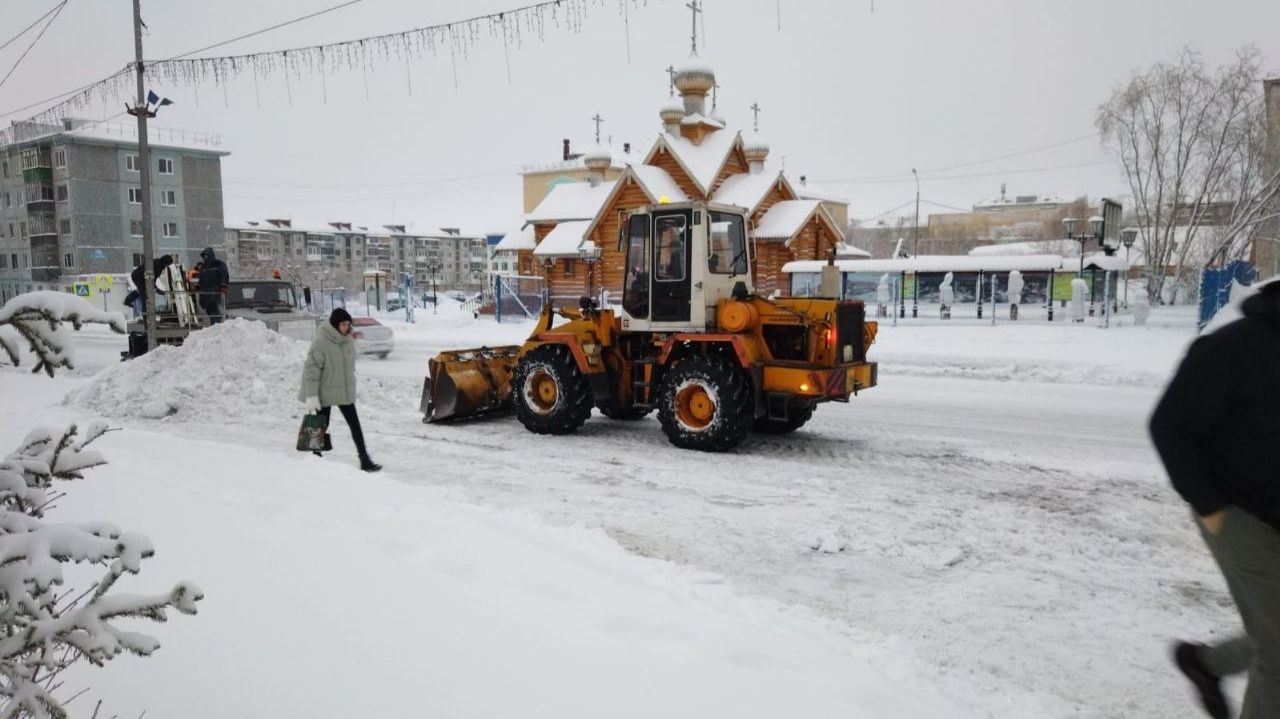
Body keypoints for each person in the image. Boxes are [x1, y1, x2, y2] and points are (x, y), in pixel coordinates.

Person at [1150, 280, 1280, 719]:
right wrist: (1210, 507)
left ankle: (1206, 666)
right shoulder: (1232, 349)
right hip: (1239, 513)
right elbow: (1169, 426)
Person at [298, 308, 381, 472]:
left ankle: (364, 459)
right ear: (335, 325)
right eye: (343, 324)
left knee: (355, 425)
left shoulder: (347, 339)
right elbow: (311, 369)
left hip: (342, 390)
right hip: (324, 390)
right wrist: (312, 395)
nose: (346, 327)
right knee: (321, 425)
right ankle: (314, 459)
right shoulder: (321, 341)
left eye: (348, 324)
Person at [195, 247, 229, 324]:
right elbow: (201, 280)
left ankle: (216, 327)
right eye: (204, 256)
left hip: (215, 293)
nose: (205, 258)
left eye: (206, 255)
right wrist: (198, 287)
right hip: (205, 295)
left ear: (210, 255)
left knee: (215, 311)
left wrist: (224, 286)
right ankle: (212, 328)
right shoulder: (203, 268)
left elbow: (224, 275)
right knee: (209, 312)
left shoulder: (219, 264)